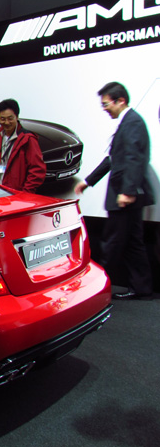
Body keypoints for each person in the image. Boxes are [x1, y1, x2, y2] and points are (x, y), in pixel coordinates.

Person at [75, 82, 154, 300]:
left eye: (106, 104)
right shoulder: (128, 122)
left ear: (120, 101)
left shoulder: (132, 122)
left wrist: (128, 191)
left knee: (112, 243)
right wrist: (88, 181)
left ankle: (96, 290)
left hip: (125, 195)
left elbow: (134, 158)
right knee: (133, 243)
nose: (104, 109)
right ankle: (142, 288)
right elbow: (112, 158)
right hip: (127, 195)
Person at [0, 99, 46, 192]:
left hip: (15, 194)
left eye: (10, 118)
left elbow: (37, 170)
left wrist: (25, 193)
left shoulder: (28, 139)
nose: (7, 122)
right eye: (3, 119)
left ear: (17, 117)